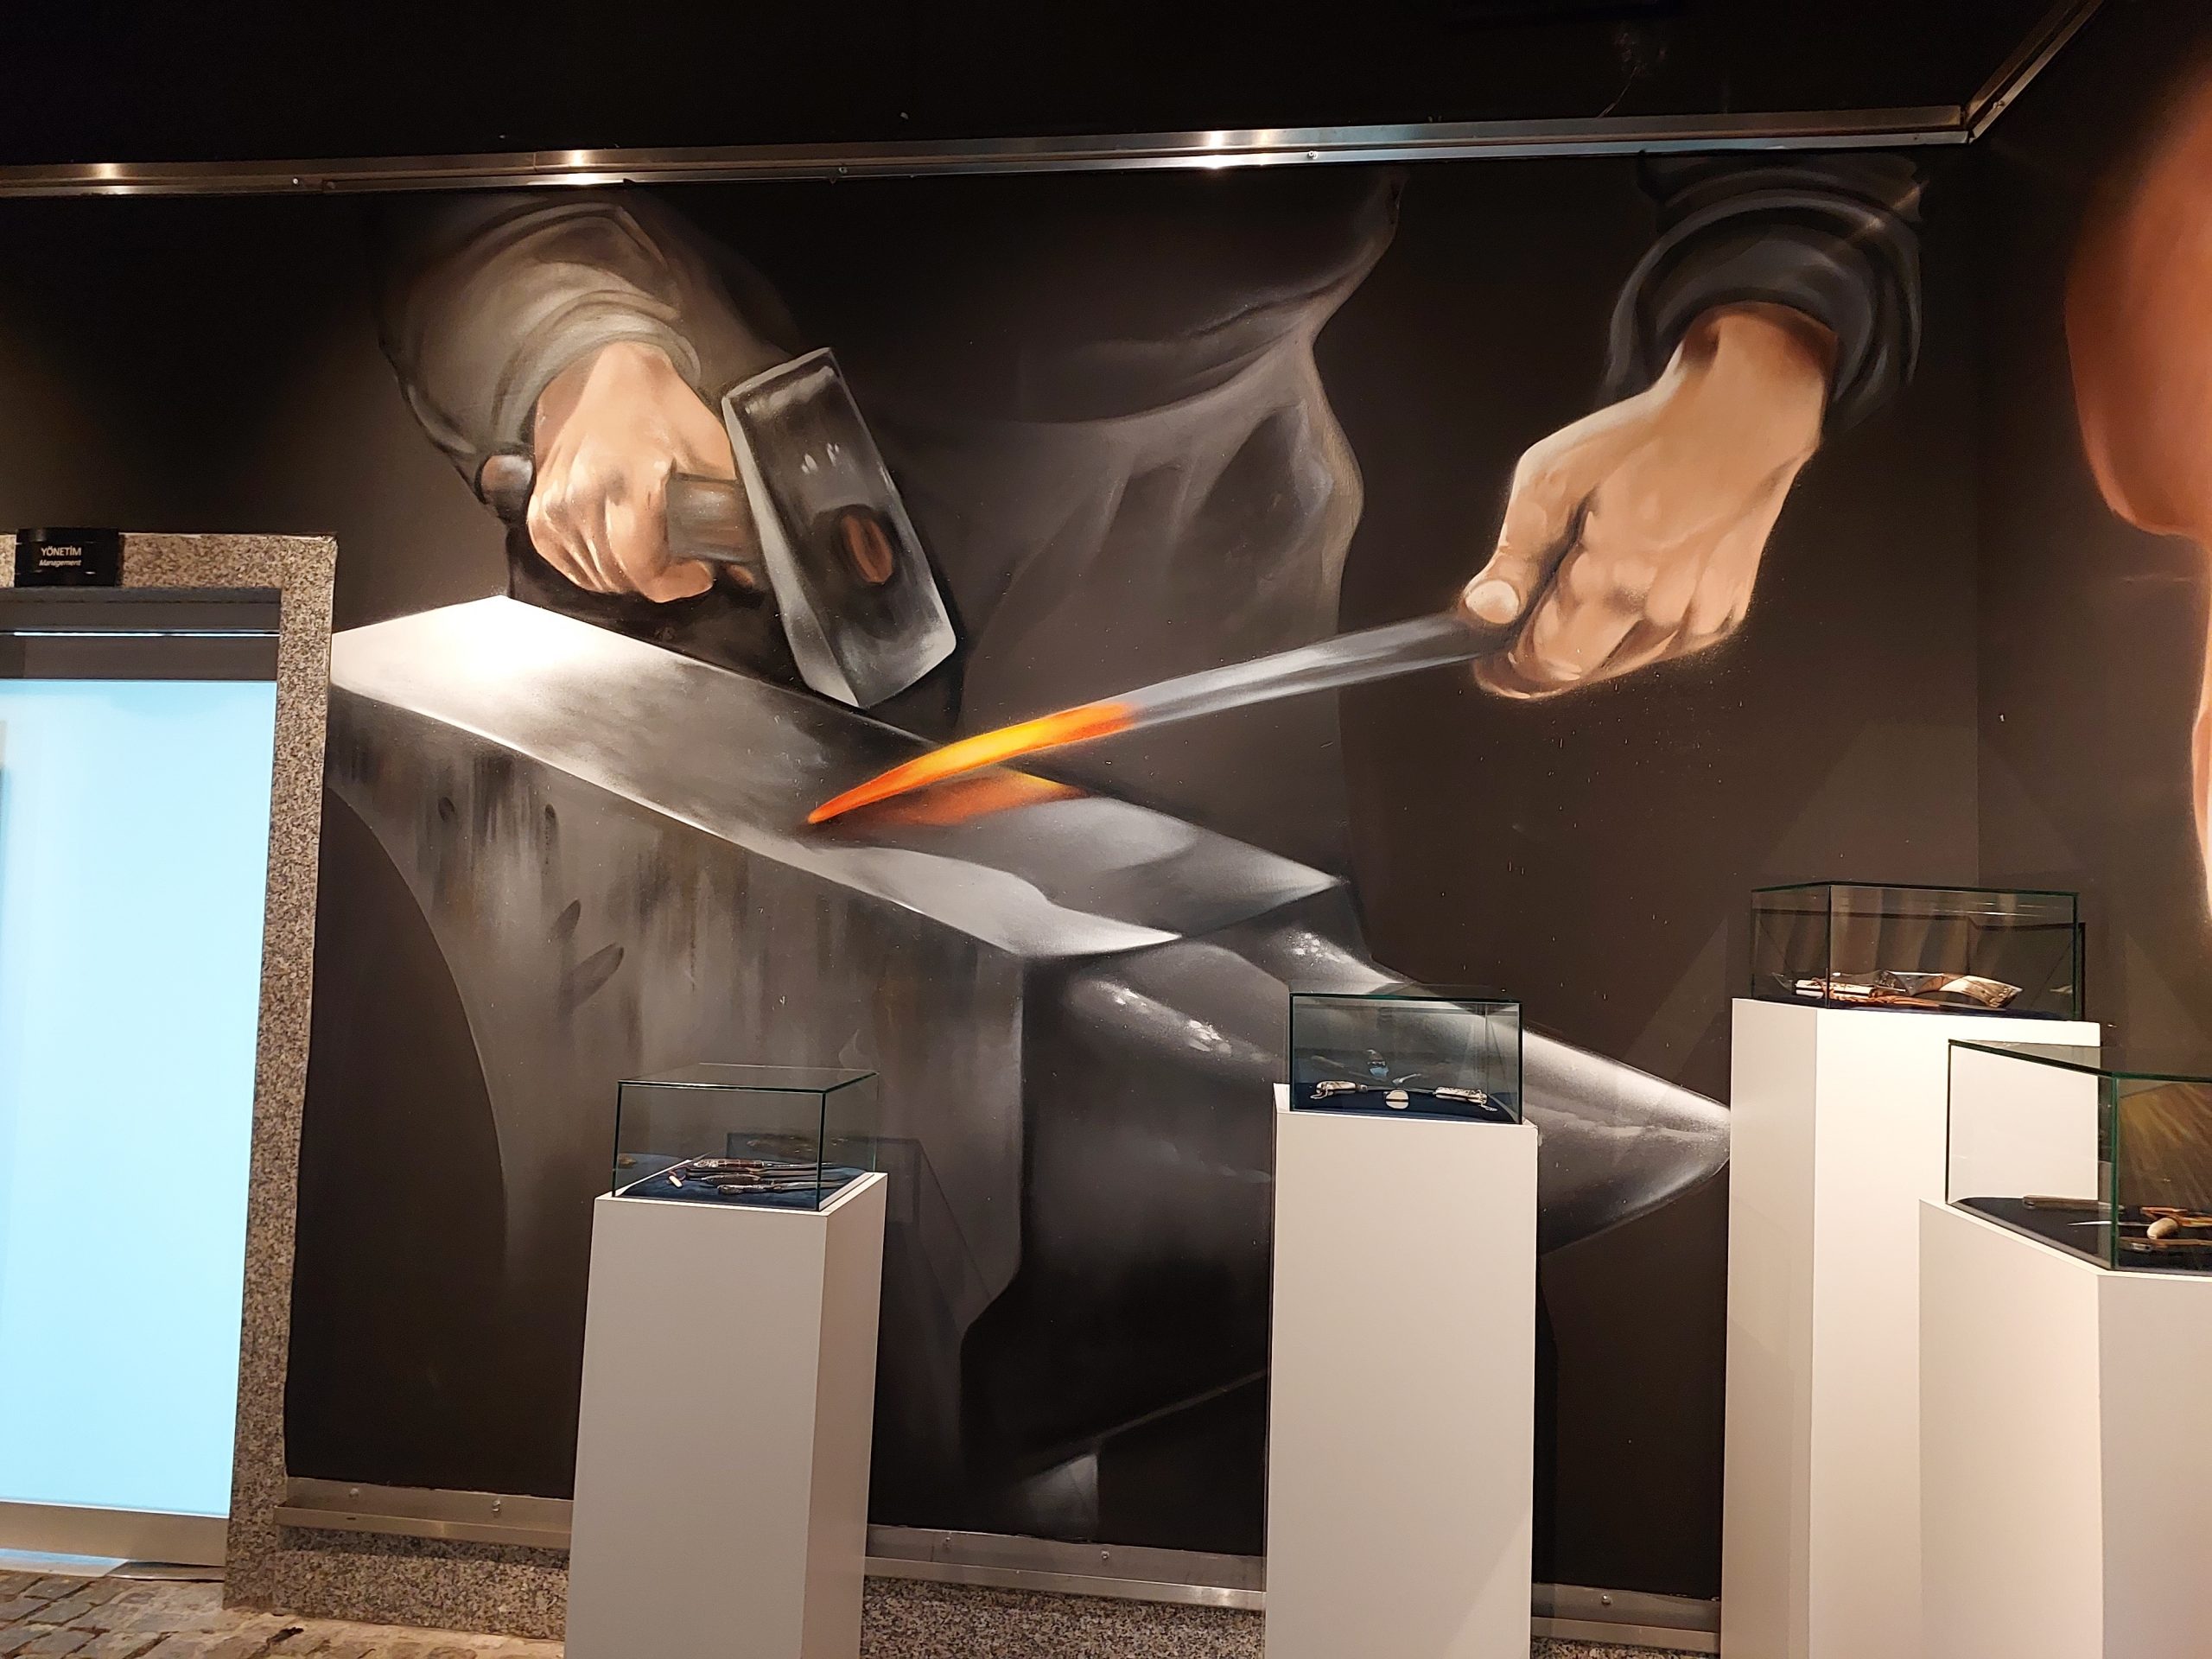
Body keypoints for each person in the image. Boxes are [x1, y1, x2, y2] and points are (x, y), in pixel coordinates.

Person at [377, 157, 1921, 868]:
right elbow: (441, 125)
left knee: (1185, 1220)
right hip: (729, 574)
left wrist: (1763, 350)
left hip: (1212, 527)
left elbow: (1787, 82)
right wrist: (578, 352)